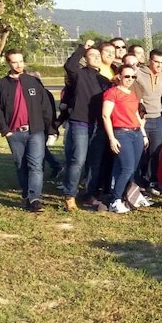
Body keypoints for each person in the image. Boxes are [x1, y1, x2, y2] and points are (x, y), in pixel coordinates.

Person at [0, 49, 53, 212]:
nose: (18, 65)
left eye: (20, 61)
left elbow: (45, 107)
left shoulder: (33, 82)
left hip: (35, 131)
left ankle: (34, 198)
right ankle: (26, 195)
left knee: (36, 165)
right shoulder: (0, 85)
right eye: (14, 62)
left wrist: (51, 129)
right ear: (8, 63)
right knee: (21, 164)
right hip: (14, 132)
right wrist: (5, 130)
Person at [62, 44, 112, 211]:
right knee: (78, 160)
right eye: (92, 55)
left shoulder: (104, 81)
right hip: (81, 122)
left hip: (98, 125)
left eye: (99, 55)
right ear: (85, 58)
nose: (97, 57)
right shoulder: (79, 74)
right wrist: (83, 47)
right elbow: (69, 65)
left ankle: (89, 194)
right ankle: (70, 194)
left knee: (94, 162)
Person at [101, 64, 151, 213]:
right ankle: (115, 200)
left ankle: (129, 195)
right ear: (119, 76)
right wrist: (111, 138)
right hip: (121, 133)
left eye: (133, 77)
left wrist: (143, 133)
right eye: (127, 76)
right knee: (127, 167)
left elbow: (136, 114)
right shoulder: (112, 93)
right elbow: (106, 116)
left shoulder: (131, 94)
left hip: (135, 133)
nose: (130, 79)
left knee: (132, 168)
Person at [136, 49, 162, 190]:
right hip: (143, 120)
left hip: (157, 118)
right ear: (150, 61)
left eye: (161, 62)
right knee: (141, 152)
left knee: (155, 153)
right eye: (156, 62)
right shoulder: (139, 74)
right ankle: (137, 182)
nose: (159, 65)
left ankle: (149, 181)